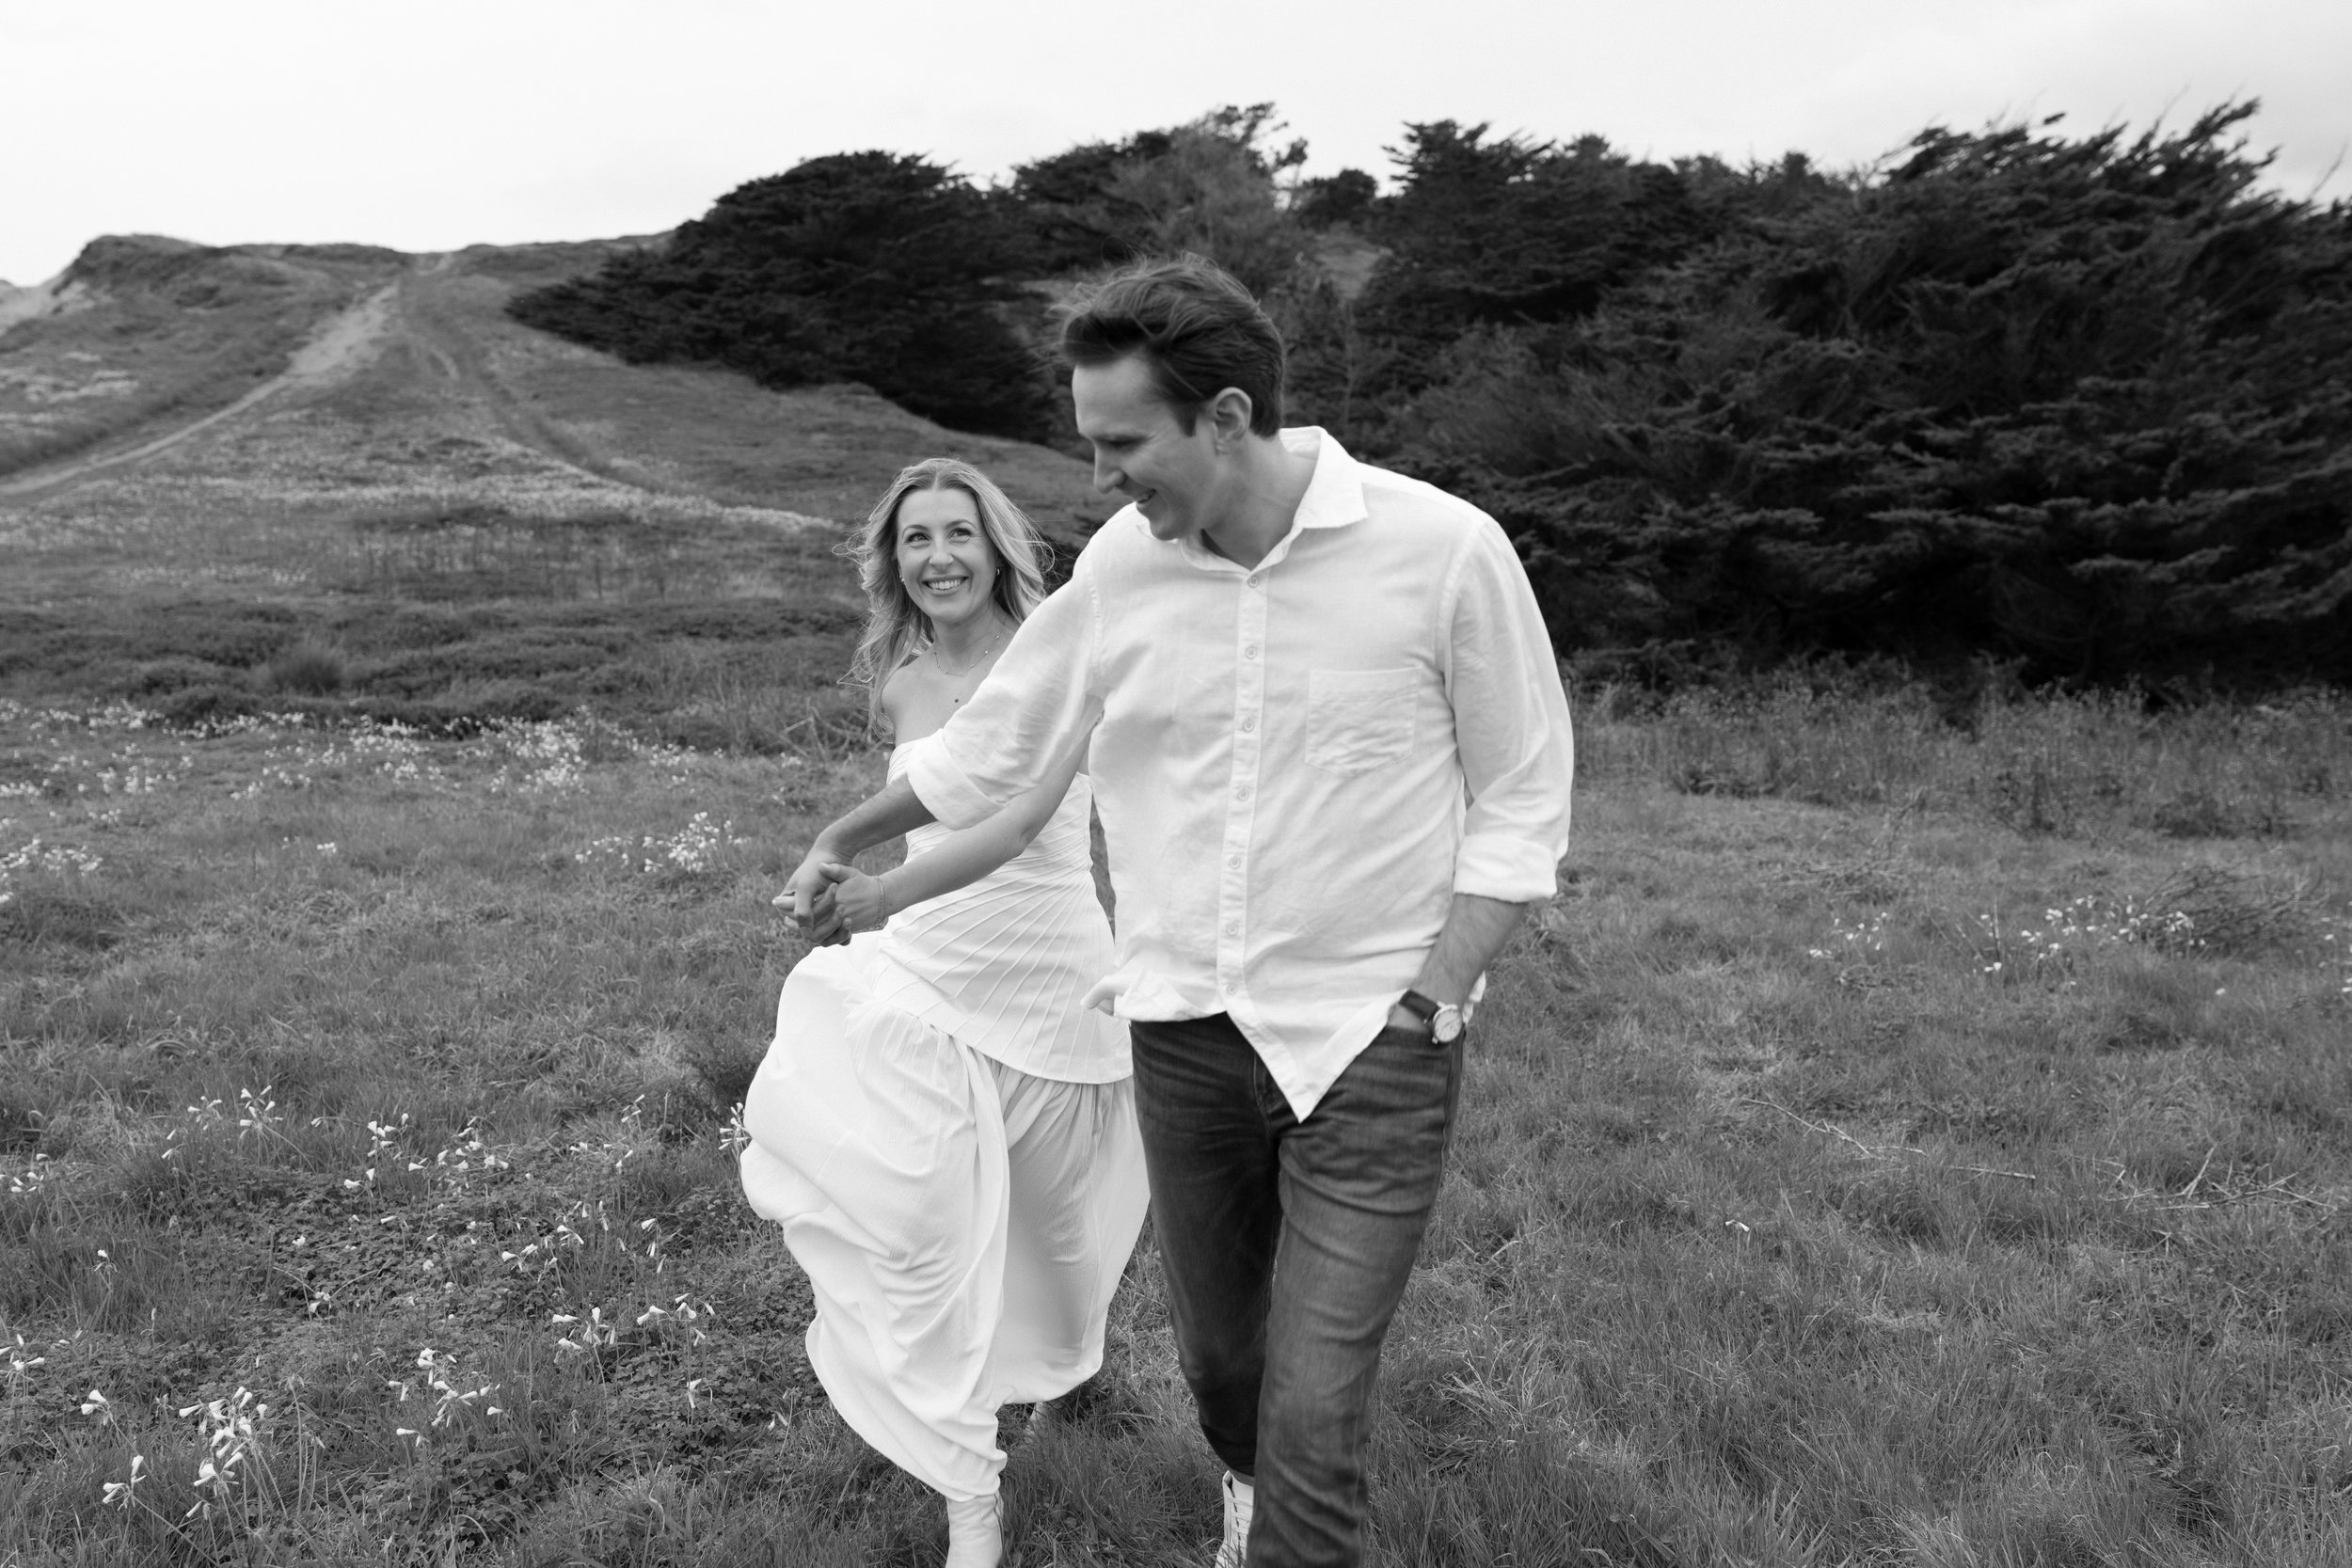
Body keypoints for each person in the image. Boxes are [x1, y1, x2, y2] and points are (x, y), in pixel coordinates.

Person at [787, 257, 1575, 1567]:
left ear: (1224, 416)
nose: (1099, 477)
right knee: (1222, 1363)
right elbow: (996, 741)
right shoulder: (1122, 567)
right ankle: (1244, 1478)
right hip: (1182, 1036)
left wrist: (1433, 993)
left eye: (1121, 443)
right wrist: (843, 837)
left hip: (1372, 1044)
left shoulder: (1442, 551)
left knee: (1316, 1404)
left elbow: (1523, 800)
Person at [739, 457, 1149, 1568]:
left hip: (1047, 975)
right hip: (924, 978)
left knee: (1056, 1240)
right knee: (921, 1226)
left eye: (958, 532)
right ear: (893, 560)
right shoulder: (901, 675)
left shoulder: (1059, 656)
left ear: (996, 544)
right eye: (915, 538)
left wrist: (873, 886)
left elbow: (1012, 820)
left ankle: (1063, 1369)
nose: (938, 556)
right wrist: (833, 862)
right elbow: (919, 805)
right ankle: (969, 1485)